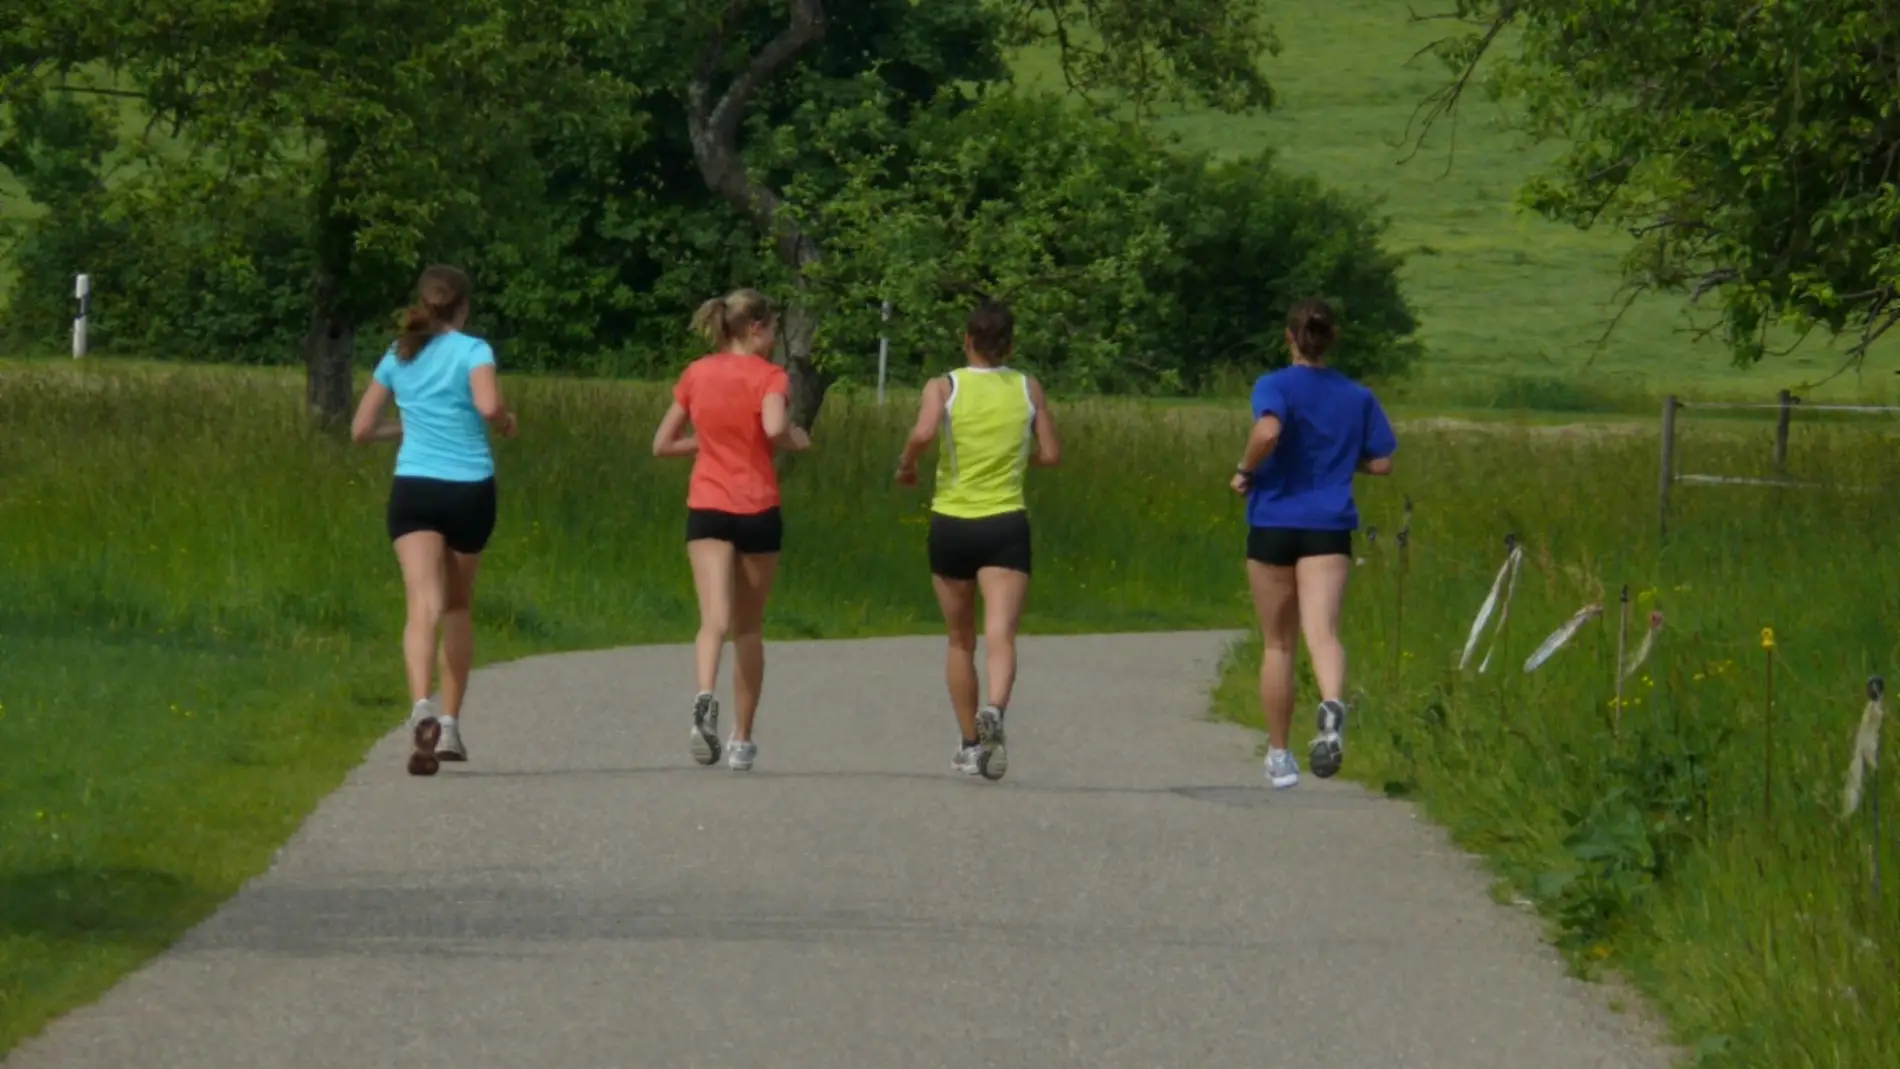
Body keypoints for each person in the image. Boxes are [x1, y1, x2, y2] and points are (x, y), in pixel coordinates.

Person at [350, 264, 517, 777]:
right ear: (463, 306)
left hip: (415, 489)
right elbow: (488, 405)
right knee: (458, 607)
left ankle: (420, 705)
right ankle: (448, 725)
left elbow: (360, 429)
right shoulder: (474, 350)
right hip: (468, 488)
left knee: (421, 603)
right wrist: (506, 421)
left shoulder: (398, 354)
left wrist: (407, 427)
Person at [1230, 297, 1395, 789]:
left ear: (1289, 338)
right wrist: (1347, 459)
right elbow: (1383, 462)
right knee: (1322, 632)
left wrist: (1244, 470)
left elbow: (1268, 429)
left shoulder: (1274, 385)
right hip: (1328, 526)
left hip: (1275, 522)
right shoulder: (1356, 395)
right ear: (1331, 340)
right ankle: (1330, 704)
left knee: (1278, 644)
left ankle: (1280, 755)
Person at [896, 298, 1061, 781]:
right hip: (1006, 522)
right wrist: (1013, 460)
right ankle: (996, 710)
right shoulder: (1028, 387)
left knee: (959, 639)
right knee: (1001, 634)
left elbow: (925, 431)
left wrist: (907, 463)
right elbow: (1050, 454)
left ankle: (970, 742)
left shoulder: (944, 386)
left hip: (952, 521)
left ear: (966, 340)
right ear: (1009, 344)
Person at [651, 288, 810, 772]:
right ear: (757, 328)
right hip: (756, 506)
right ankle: (741, 740)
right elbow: (771, 428)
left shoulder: (697, 373)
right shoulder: (771, 377)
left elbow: (662, 443)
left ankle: (704, 698)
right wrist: (796, 439)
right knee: (749, 626)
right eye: (773, 329)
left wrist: (708, 441)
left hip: (708, 505)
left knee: (712, 620)